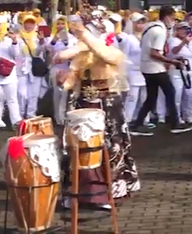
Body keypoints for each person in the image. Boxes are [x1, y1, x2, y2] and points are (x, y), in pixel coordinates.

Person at [57, 18, 140, 209]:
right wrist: (63, 81)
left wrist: (83, 35)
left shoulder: (113, 52)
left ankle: (108, 192)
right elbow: (73, 75)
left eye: (97, 30)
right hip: (84, 103)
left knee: (110, 146)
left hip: (108, 105)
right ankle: (79, 193)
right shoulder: (82, 54)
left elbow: (103, 53)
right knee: (81, 147)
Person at [129, 6, 181, 136]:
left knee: (151, 97)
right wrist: (171, 61)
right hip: (154, 67)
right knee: (170, 92)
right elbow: (154, 53)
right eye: (173, 18)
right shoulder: (160, 31)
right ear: (167, 17)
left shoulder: (150, 28)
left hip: (147, 67)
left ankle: (137, 124)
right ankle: (175, 123)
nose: (173, 21)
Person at [167, 21, 192, 132]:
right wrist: (182, 43)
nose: (183, 31)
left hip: (189, 71)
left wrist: (187, 42)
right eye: (181, 29)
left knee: (191, 94)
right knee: (177, 95)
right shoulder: (172, 40)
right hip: (177, 71)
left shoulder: (191, 41)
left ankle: (188, 115)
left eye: (185, 29)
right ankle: (177, 118)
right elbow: (174, 52)